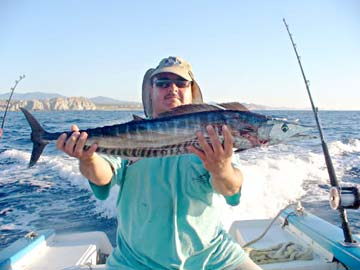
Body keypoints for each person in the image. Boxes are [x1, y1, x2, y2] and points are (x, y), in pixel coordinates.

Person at [56, 56, 261, 270]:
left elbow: (231, 189)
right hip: (135, 262)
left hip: (214, 258)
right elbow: (103, 174)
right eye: (162, 83)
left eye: (181, 83)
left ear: (192, 91)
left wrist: (222, 169)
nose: (172, 88)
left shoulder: (215, 134)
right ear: (151, 92)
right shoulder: (127, 134)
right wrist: (88, 158)